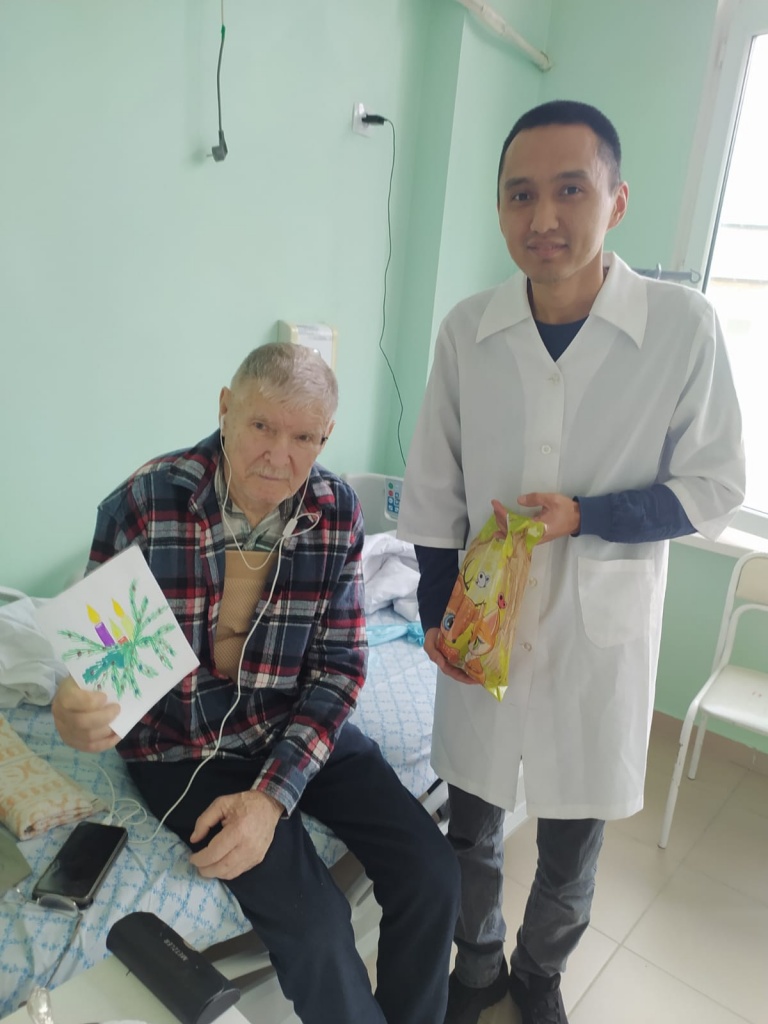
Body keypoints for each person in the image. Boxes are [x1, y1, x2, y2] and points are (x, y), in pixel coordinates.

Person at [396, 100, 745, 1024]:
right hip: (483, 628)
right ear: (499, 208)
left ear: (616, 201)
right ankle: (477, 968)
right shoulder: (467, 330)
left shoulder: (681, 327)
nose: (542, 217)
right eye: (520, 194)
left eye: (570, 190)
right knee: (471, 828)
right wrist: (436, 613)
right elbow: (431, 489)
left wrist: (588, 516)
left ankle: (540, 974)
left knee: (570, 843)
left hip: (600, 637)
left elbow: (713, 486)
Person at [52, 341, 459, 1024]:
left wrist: (272, 796)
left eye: (303, 437)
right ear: (225, 409)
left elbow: (340, 667)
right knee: (317, 928)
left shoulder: (335, 512)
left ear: (325, 437)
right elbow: (97, 664)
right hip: (182, 744)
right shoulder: (145, 504)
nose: (278, 455)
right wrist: (76, 706)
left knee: (434, 873)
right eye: (262, 426)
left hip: (294, 723)